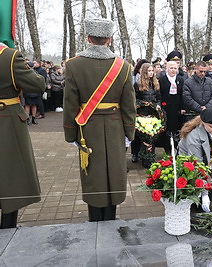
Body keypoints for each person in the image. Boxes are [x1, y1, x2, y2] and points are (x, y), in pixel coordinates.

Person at [63, 18, 136, 222]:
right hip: (115, 127)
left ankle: (94, 221)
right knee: (114, 174)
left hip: (87, 129)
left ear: (88, 38)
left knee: (93, 176)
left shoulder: (73, 65)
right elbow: (129, 105)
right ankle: (110, 221)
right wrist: (129, 133)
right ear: (110, 40)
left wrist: (71, 134)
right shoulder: (123, 66)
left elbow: (70, 104)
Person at [0, 42, 46, 228]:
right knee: (11, 172)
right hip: (6, 119)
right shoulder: (9, 56)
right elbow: (37, 84)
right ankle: (8, 226)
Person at [178, 108, 212, 212]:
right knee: (195, 181)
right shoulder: (193, 137)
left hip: (209, 160)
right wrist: (204, 194)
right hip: (189, 162)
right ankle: (196, 200)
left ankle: (208, 197)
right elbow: (196, 165)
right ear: (203, 123)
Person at [131, 63, 161, 167]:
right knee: (139, 134)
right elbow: (135, 99)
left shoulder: (156, 83)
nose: (151, 73)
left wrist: (157, 105)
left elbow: (159, 98)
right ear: (144, 72)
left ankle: (149, 156)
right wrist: (142, 104)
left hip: (152, 113)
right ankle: (135, 153)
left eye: (152, 71)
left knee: (151, 134)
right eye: (149, 71)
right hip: (142, 112)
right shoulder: (138, 84)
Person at [158, 61, 185, 154]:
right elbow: (160, 94)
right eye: (171, 68)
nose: (173, 70)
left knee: (176, 128)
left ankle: (177, 147)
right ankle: (167, 148)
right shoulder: (161, 79)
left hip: (176, 107)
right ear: (167, 68)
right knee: (166, 128)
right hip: (166, 107)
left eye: (175, 68)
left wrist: (182, 107)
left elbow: (182, 94)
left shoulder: (180, 79)